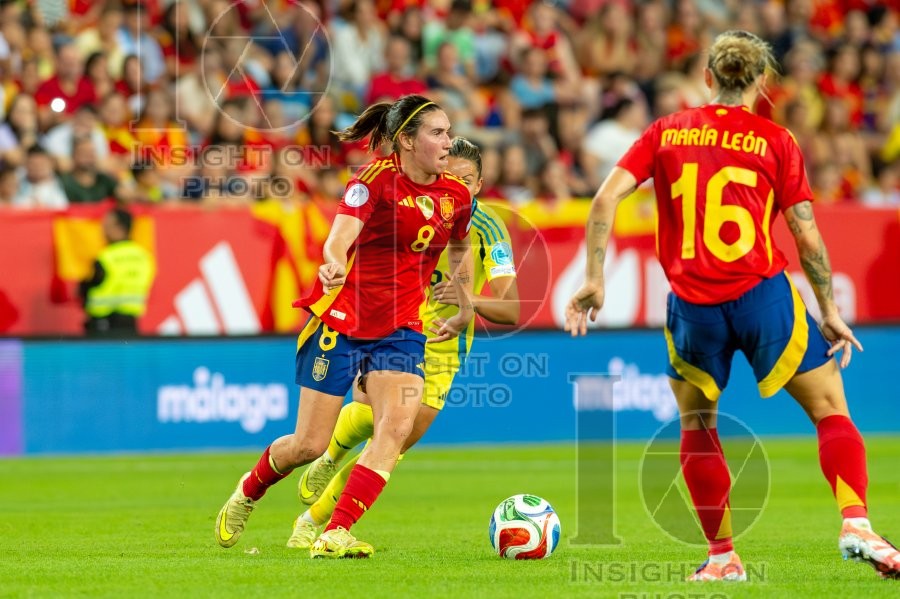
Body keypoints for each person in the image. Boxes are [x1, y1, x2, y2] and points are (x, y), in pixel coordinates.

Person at [565, 30, 900, 581]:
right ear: (763, 81)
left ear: (707, 78)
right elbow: (807, 237)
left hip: (693, 305)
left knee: (697, 425)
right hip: (761, 295)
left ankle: (722, 557)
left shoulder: (666, 132)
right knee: (830, 411)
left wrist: (594, 278)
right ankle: (856, 523)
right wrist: (829, 309)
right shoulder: (776, 140)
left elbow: (605, 198)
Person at [214, 95, 475, 559]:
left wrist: (464, 301)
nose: (448, 141)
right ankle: (248, 491)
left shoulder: (456, 193)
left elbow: (459, 247)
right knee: (307, 445)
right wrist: (333, 265)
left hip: (402, 327)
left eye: (448, 131)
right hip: (346, 320)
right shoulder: (372, 181)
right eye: (437, 132)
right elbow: (339, 240)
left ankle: (335, 531)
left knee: (394, 428)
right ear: (407, 141)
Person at [285, 137, 520, 549]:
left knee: (394, 443)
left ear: (480, 185)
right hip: (391, 329)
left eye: (467, 181)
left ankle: (313, 521)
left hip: (444, 350)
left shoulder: (488, 229)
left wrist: (469, 299)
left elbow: (512, 310)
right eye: (450, 177)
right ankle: (330, 455)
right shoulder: (411, 208)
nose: (457, 188)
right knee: (370, 420)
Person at [80, 208, 155, 336]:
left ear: (119, 227)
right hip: (130, 323)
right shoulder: (144, 257)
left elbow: (87, 288)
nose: (102, 230)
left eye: (106, 225)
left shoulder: (105, 257)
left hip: (102, 324)